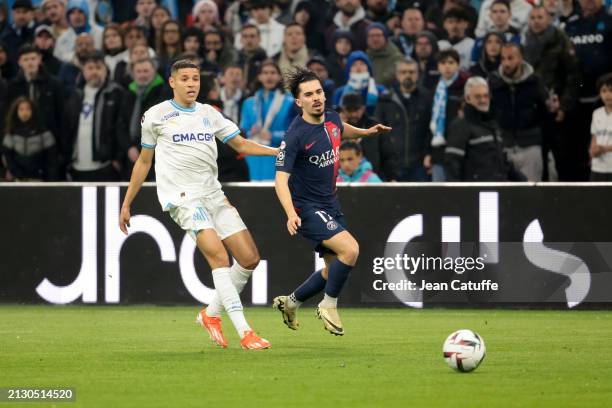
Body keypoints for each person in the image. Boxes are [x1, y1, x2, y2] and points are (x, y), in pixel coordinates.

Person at [119, 59, 278, 350]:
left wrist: (279, 152)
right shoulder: (156, 115)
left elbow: (241, 145)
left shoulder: (209, 114)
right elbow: (144, 161)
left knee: (250, 259)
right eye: (185, 79)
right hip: (182, 198)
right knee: (219, 257)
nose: (191, 84)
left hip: (213, 195)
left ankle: (211, 314)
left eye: (195, 79)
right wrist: (127, 203)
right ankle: (245, 332)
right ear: (172, 82)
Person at [272, 67, 391, 336]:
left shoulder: (332, 118)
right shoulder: (294, 136)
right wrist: (291, 213)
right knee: (350, 250)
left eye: (319, 92)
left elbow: (341, 129)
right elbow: (280, 181)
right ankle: (328, 305)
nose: (316, 98)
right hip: (307, 208)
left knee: (331, 269)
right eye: (308, 94)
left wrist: (367, 132)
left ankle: (291, 303)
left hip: (330, 205)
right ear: (298, 101)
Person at [62, 52, 127, 181]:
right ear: (83, 71)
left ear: (106, 70)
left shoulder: (116, 93)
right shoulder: (75, 95)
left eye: (98, 68)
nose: (94, 72)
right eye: (90, 68)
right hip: (77, 166)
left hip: (105, 166)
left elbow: (121, 127)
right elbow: (66, 127)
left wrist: (117, 158)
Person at [489, 43, 548, 181]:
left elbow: (545, 114)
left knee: (530, 196)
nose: (506, 63)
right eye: (503, 59)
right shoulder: (494, 82)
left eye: (510, 58)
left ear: (521, 59)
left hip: (530, 146)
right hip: (504, 147)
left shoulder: (535, 81)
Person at [375, 57, 433, 181]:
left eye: (411, 72)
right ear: (397, 75)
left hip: (419, 164)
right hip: (393, 165)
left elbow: (431, 129)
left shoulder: (427, 98)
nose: (408, 75)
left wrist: (428, 154)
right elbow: (378, 132)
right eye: (403, 72)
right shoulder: (385, 100)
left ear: (418, 75)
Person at [444, 76, 510, 181]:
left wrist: (524, 182)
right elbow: (452, 163)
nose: (483, 100)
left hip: (498, 187)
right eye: (478, 97)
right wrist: (457, 194)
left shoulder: (493, 124)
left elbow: (504, 161)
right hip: (475, 192)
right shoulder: (461, 125)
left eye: (486, 96)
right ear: (467, 98)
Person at [240, 59, 295, 181]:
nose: (269, 76)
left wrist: (273, 136)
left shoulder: (290, 103)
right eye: (265, 73)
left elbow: (294, 134)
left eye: (273, 72)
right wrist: (250, 132)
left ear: (279, 76)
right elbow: (243, 131)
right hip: (252, 157)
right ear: (259, 76)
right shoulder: (249, 103)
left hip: (276, 156)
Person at [426, 48, 470, 181]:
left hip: (461, 150)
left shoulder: (466, 88)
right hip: (438, 151)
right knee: (438, 196)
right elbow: (428, 122)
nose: (447, 66)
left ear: (457, 65)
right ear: (438, 66)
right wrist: (427, 153)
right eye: (443, 63)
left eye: (451, 62)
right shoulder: (435, 91)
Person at [340, 92, 399, 181]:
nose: (353, 114)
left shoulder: (375, 126)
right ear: (343, 110)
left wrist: (392, 177)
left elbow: (388, 155)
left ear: (363, 108)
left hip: (374, 178)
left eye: (356, 109)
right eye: (349, 110)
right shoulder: (339, 129)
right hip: (344, 179)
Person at [2, 96, 60, 181]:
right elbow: (8, 157)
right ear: (16, 112)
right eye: (21, 109)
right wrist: (19, 175)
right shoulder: (11, 133)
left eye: (28, 109)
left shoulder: (44, 133)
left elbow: (51, 160)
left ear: (33, 111)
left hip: (40, 179)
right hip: (18, 180)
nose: (24, 113)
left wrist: (49, 180)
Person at [332, 51, 387, 115]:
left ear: (368, 68)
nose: (358, 67)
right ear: (349, 69)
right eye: (354, 65)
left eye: (362, 64)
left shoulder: (380, 90)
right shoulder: (339, 92)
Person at [366, 22, 404, 88]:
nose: (375, 39)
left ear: (385, 38)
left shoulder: (396, 57)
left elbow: (385, 80)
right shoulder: (365, 57)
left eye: (378, 35)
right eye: (371, 36)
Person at [589, 73, 612, 181]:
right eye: (604, 91)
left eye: (611, 90)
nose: (608, 95)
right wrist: (592, 150)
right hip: (598, 168)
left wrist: (603, 149)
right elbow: (594, 137)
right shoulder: (596, 113)